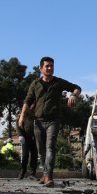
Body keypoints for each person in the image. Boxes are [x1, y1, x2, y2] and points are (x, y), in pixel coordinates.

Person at [18, 56, 81, 187]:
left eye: (52, 66)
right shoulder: (35, 84)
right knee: (41, 151)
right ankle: (45, 174)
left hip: (53, 120)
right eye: (47, 66)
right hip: (38, 121)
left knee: (50, 147)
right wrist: (22, 116)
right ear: (41, 68)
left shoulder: (58, 82)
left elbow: (77, 87)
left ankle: (49, 176)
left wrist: (74, 95)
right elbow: (28, 100)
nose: (50, 68)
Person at [16, 107, 38, 180]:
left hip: (35, 137)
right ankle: (22, 172)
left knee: (34, 156)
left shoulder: (37, 112)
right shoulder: (23, 112)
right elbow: (18, 124)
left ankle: (32, 173)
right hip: (25, 137)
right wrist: (20, 135)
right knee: (25, 156)